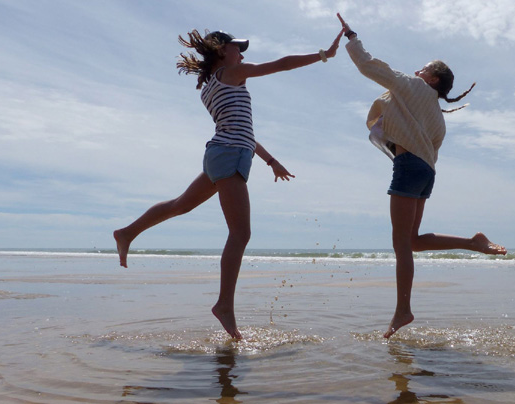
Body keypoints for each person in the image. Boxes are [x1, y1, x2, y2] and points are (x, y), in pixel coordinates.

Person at [114, 28, 345, 339]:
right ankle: (224, 305)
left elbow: (243, 130)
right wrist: (324, 55)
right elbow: (282, 64)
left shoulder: (212, 84)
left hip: (221, 154)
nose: (243, 54)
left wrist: (271, 161)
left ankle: (127, 232)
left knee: (180, 205)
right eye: (238, 48)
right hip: (229, 155)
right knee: (240, 233)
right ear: (222, 50)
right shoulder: (231, 74)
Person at [336, 13, 507, 339]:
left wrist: (352, 37)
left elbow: (370, 66)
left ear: (432, 79)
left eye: (423, 69)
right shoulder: (437, 118)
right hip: (426, 173)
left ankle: (403, 310)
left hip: (409, 167)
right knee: (412, 241)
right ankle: (472, 242)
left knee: (401, 243)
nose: (416, 71)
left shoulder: (412, 87)